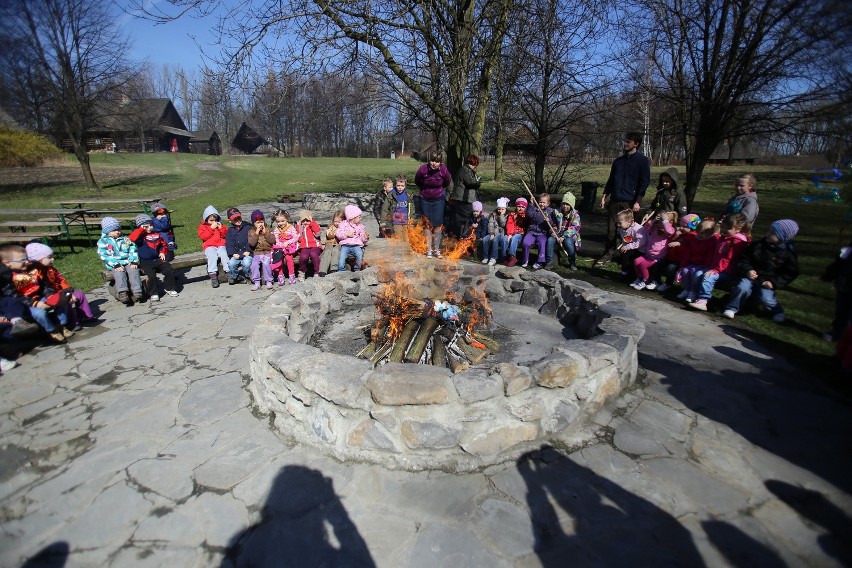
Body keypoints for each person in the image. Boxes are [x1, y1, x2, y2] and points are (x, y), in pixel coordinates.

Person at [723, 219, 799, 322]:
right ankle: (731, 308)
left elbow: (791, 272)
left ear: (782, 237)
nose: (768, 234)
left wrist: (774, 283)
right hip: (750, 276)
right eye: (769, 230)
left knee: (766, 298)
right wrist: (748, 270)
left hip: (767, 281)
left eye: (773, 233)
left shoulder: (787, 254)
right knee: (742, 287)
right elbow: (744, 258)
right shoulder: (758, 245)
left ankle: (777, 311)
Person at [0, 244, 66, 343]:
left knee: (61, 301)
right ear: (8, 263)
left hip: (40, 296)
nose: (27, 262)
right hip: (26, 303)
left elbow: (44, 283)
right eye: (22, 260)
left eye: (27, 258)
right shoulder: (6, 277)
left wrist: (50, 295)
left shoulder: (33, 268)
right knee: (40, 313)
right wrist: (35, 303)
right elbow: (13, 295)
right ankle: (52, 330)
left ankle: (63, 324)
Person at [24, 243, 94, 333]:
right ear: (38, 259)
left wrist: (69, 291)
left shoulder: (51, 269)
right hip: (49, 295)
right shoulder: (36, 273)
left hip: (61, 290)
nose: (52, 259)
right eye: (49, 257)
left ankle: (85, 316)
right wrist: (65, 294)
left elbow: (61, 280)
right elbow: (44, 289)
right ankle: (72, 323)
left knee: (79, 294)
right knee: (66, 299)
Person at [689, 213, 751, 312]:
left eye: (728, 228)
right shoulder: (723, 238)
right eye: (723, 227)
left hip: (727, 271)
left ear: (738, 229)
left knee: (709, 276)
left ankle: (703, 299)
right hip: (716, 268)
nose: (724, 230)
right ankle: (694, 294)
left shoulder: (737, 242)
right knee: (698, 273)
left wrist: (716, 270)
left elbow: (728, 259)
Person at [600, 132, 651, 252]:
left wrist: (638, 201)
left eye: (628, 141)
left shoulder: (642, 161)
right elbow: (611, 180)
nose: (625, 143)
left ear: (636, 144)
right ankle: (609, 252)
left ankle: (627, 253)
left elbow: (644, 183)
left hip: (630, 201)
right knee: (611, 229)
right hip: (615, 199)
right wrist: (604, 196)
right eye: (625, 141)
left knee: (629, 230)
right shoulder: (618, 161)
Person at [129, 214, 178, 301]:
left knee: (168, 270)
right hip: (146, 261)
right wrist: (141, 229)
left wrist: (162, 252)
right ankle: (153, 292)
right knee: (151, 276)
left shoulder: (156, 234)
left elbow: (163, 245)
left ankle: (170, 288)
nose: (149, 228)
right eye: (146, 226)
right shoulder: (140, 237)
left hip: (158, 259)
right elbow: (132, 238)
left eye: (151, 225)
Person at [97, 217, 144, 305]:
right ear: (107, 231)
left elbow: (133, 249)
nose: (118, 232)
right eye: (114, 230)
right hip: (115, 264)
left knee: (133, 270)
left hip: (128, 261)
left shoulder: (125, 239)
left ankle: (137, 291)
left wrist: (134, 261)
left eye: (119, 229)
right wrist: (115, 264)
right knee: (119, 273)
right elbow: (104, 255)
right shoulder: (103, 242)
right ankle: (123, 292)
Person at [414, 151, 452, 258]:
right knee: (427, 224)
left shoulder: (444, 170)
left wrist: (438, 191)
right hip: (425, 199)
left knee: (437, 224)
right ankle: (429, 249)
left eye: (436, 161)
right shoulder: (423, 169)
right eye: (432, 160)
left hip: (438, 199)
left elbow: (447, 182)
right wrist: (425, 189)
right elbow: (417, 180)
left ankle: (436, 249)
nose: (433, 163)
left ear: (440, 162)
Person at [652, 213, 701, 292]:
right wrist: (675, 237)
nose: (681, 228)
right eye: (680, 225)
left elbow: (689, 245)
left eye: (684, 226)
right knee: (659, 264)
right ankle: (656, 281)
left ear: (693, 227)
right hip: (671, 257)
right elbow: (670, 243)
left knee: (671, 268)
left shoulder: (693, 236)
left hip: (680, 260)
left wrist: (679, 243)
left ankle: (668, 284)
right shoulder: (681, 234)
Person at [674, 218, 718, 302]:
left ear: (710, 234)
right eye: (699, 233)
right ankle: (687, 289)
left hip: (704, 265)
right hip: (693, 263)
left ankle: (693, 292)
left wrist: (707, 267)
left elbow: (710, 256)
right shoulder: (694, 240)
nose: (700, 236)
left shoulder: (712, 242)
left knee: (696, 274)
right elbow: (687, 253)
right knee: (685, 271)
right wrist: (683, 265)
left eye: (703, 234)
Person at [630, 211, 676, 290]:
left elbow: (669, 232)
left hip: (658, 257)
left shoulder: (670, 230)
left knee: (643, 264)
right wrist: (654, 220)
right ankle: (640, 278)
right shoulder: (655, 227)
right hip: (649, 255)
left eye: (663, 221)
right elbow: (645, 229)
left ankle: (646, 280)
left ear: (670, 222)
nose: (660, 223)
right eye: (660, 221)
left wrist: (665, 221)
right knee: (636, 261)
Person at [521, 193, 559, 269]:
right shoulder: (535, 209)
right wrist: (531, 204)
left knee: (542, 243)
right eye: (540, 202)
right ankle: (525, 260)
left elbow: (552, 224)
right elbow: (528, 215)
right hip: (532, 232)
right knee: (525, 243)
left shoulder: (550, 212)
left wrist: (549, 221)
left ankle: (540, 261)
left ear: (548, 203)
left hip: (542, 233)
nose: (541, 204)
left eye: (543, 202)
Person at [449, 154, 481, 238]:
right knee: (465, 220)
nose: (475, 167)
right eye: (475, 165)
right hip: (463, 199)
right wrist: (478, 182)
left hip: (461, 199)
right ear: (473, 163)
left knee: (462, 220)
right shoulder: (466, 170)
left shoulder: (464, 170)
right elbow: (470, 183)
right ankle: (462, 237)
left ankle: (461, 237)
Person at [198, 205, 230, 288]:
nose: (213, 222)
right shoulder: (203, 227)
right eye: (211, 220)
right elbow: (203, 236)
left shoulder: (220, 225)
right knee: (212, 256)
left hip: (220, 245)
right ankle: (213, 275)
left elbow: (225, 235)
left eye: (215, 220)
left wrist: (221, 228)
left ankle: (229, 272)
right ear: (206, 219)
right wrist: (211, 228)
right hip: (209, 246)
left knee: (224, 254)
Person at [550, 192, 582, 270]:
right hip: (558, 233)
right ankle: (549, 261)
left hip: (569, 235)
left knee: (568, 243)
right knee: (550, 240)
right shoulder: (556, 212)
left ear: (571, 206)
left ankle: (572, 262)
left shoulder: (575, 215)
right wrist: (553, 231)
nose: (565, 206)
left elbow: (575, 227)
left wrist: (564, 236)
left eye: (567, 204)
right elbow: (553, 223)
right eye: (563, 204)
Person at [380, 174, 414, 243]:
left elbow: (412, 207)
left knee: (406, 238)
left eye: (402, 186)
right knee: (398, 238)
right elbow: (385, 209)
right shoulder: (392, 194)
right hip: (396, 220)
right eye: (398, 185)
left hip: (406, 220)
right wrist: (383, 222)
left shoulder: (408, 194)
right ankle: (399, 252)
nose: (400, 188)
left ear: (405, 186)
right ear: (395, 185)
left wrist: (411, 218)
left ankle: (406, 252)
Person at [248, 210, 275, 291]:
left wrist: (265, 233)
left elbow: (272, 241)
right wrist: (256, 233)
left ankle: (269, 281)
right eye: (257, 223)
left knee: (266, 264)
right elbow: (252, 243)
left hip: (267, 252)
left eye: (261, 222)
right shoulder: (251, 232)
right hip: (257, 253)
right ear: (254, 224)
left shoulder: (268, 230)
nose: (260, 224)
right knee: (254, 265)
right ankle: (256, 282)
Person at [336, 205, 370, 272]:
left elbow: (362, 238)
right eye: (359, 217)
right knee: (342, 257)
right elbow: (338, 233)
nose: (360, 218)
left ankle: (357, 268)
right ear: (352, 218)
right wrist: (346, 234)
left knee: (359, 254)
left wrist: (365, 237)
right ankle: (341, 269)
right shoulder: (343, 224)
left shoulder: (360, 226)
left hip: (356, 245)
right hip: (345, 245)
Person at [271, 209, 299, 285]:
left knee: (288, 258)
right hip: (280, 247)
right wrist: (280, 244)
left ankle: (291, 275)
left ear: (287, 219)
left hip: (289, 247)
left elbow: (296, 237)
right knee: (278, 258)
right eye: (278, 221)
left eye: (282, 221)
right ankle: (280, 275)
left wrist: (288, 242)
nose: (280, 223)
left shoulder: (291, 227)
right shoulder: (277, 229)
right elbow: (276, 239)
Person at [225, 208, 253, 285]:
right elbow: (229, 244)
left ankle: (248, 276)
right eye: (235, 219)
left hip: (247, 253)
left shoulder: (248, 227)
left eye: (239, 218)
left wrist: (249, 250)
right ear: (230, 221)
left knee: (246, 263)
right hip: (237, 254)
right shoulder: (230, 231)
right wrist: (232, 254)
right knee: (231, 263)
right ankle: (235, 277)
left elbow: (252, 240)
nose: (238, 220)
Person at [615, 209, 645, 277]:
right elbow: (626, 239)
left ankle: (633, 273)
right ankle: (625, 271)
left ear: (628, 222)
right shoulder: (623, 229)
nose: (618, 225)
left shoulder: (637, 229)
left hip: (642, 249)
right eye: (617, 223)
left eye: (620, 223)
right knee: (624, 253)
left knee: (631, 258)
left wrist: (628, 247)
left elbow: (641, 242)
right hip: (632, 247)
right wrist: (625, 246)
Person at [295, 210, 322, 280]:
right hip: (304, 246)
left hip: (315, 245)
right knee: (303, 257)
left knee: (314, 255)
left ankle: (317, 272)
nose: (305, 223)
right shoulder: (300, 228)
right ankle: (302, 271)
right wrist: (299, 228)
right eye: (303, 221)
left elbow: (318, 233)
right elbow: (299, 238)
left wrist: (312, 222)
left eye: (307, 220)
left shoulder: (313, 225)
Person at [483, 197, 509, 266]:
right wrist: (491, 233)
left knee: (495, 240)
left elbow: (503, 224)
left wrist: (501, 216)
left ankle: (494, 258)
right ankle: (485, 257)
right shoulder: (493, 215)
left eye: (503, 209)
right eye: (499, 209)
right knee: (485, 239)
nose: (500, 211)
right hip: (493, 232)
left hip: (502, 234)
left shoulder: (507, 216)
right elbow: (490, 224)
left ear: (506, 209)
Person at [319, 210, 344, 276]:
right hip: (329, 244)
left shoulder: (344, 228)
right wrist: (323, 243)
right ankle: (322, 270)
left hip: (338, 244)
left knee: (336, 251)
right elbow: (325, 235)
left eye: (339, 221)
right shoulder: (330, 227)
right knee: (327, 252)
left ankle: (333, 268)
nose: (337, 223)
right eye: (335, 221)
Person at [505, 198, 529, 266]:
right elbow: (510, 225)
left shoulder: (526, 215)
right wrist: (510, 234)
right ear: (516, 206)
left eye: (522, 207)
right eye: (519, 206)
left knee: (515, 238)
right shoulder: (512, 215)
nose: (520, 208)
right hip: (512, 232)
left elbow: (528, 226)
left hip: (522, 234)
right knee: (506, 239)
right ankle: (505, 256)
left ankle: (512, 256)